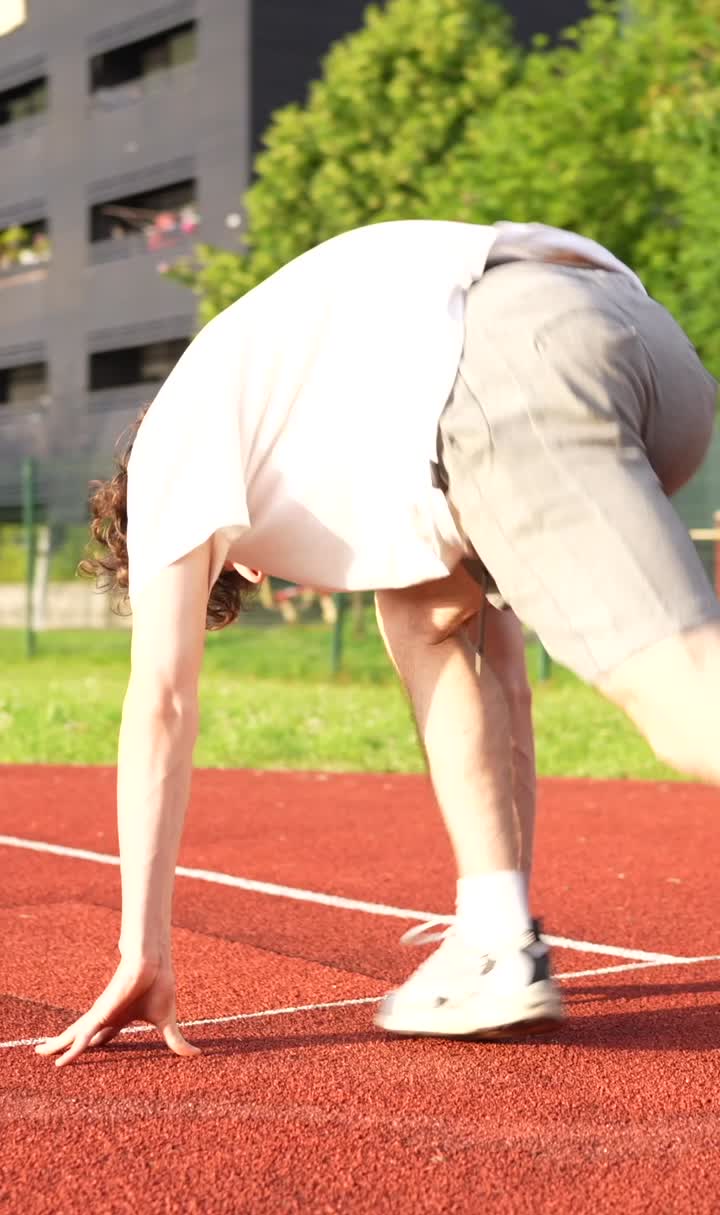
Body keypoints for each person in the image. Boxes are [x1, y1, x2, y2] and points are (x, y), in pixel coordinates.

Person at [35, 219, 719, 1066]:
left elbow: (164, 701)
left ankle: (496, 940)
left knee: (681, 695)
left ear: (240, 572)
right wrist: (500, 906)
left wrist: (142, 950)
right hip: (648, 344)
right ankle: (494, 930)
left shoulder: (174, 459)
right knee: (425, 619)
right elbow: (507, 685)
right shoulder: (299, 399)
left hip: (514, 361)